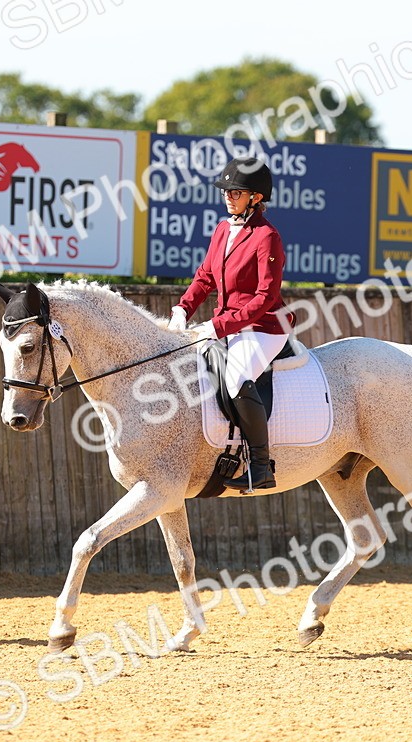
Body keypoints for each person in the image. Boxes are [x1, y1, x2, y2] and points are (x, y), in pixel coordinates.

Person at [169, 156, 289, 492]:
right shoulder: (224, 229)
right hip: (227, 324)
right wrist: (183, 308)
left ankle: (262, 467)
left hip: (264, 327)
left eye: (236, 192)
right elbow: (206, 275)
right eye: (226, 191)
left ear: (256, 197)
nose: (228, 196)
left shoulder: (267, 237)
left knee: (237, 377)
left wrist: (220, 326)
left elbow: (265, 296)